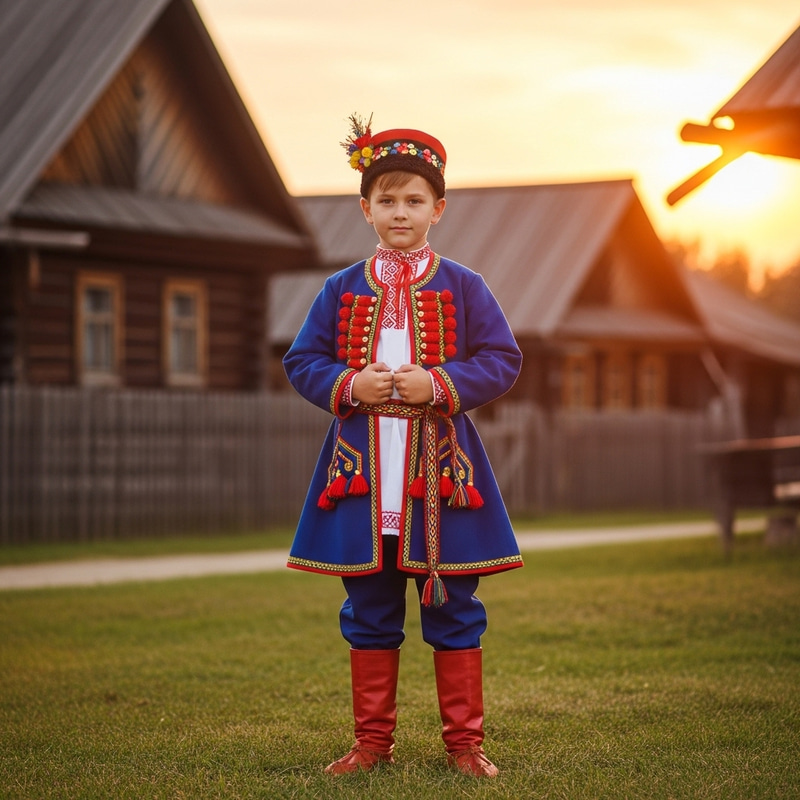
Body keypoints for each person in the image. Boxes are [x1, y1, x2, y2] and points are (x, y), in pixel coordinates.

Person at [283, 114, 523, 778]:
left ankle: (466, 746)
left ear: (438, 208)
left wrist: (439, 382)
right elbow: (301, 362)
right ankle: (371, 745)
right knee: (368, 609)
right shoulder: (339, 289)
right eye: (385, 199)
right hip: (362, 481)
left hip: (442, 478)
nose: (400, 211)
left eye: (414, 199)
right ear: (365, 208)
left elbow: (503, 359)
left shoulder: (465, 286)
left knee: (454, 608)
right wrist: (350, 383)